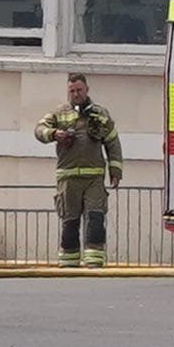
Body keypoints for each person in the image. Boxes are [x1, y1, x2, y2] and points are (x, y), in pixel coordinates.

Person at [39, 79, 127, 265]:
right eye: (72, 91)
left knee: (95, 216)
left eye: (79, 90)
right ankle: (69, 261)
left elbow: (113, 142)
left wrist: (115, 170)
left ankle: (94, 260)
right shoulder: (59, 113)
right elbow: (39, 130)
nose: (76, 94)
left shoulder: (100, 114)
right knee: (69, 220)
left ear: (87, 89)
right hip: (68, 177)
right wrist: (55, 134)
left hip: (94, 178)